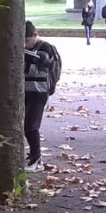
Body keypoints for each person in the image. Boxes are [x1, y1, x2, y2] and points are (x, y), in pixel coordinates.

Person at [23, 22, 61, 171]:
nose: (25, 44)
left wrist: (20, 51)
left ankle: (36, 159)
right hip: (26, 91)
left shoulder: (46, 48)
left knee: (31, 126)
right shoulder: (28, 48)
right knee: (26, 126)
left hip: (39, 92)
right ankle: (33, 156)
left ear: (34, 35)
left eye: (27, 40)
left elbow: (41, 62)